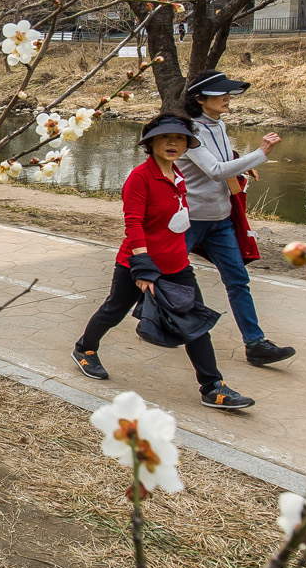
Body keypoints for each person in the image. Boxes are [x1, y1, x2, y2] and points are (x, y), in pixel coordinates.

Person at [71, 113, 256, 410]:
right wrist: (142, 266)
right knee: (114, 310)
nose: (173, 143)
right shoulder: (140, 178)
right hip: (138, 263)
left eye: (180, 138)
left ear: (187, 145)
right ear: (151, 142)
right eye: (165, 138)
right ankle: (84, 349)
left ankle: (213, 387)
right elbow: (133, 223)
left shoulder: (179, 175)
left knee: (195, 325)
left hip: (177, 265)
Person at [180, 68, 296, 368]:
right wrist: (260, 154)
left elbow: (223, 158)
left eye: (228, 93)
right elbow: (215, 170)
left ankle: (255, 344)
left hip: (220, 218)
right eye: (220, 94)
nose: (227, 98)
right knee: (165, 274)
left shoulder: (218, 125)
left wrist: (241, 164)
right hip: (191, 219)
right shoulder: (189, 131)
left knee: (237, 279)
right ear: (200, 98)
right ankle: (146, 315)